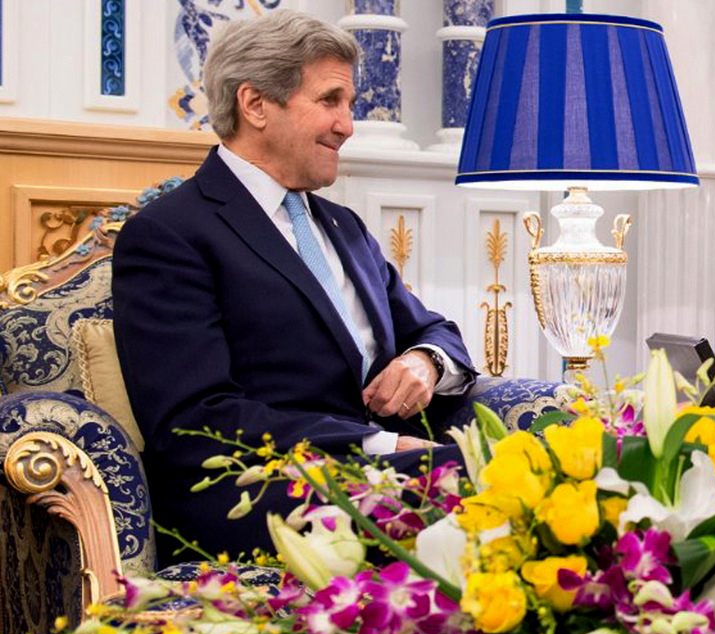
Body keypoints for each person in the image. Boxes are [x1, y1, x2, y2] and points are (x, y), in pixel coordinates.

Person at [113, 10, 476, 561]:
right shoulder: (169, 234)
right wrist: (380, 445)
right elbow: (196, 418)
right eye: (330, 101)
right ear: (255, 104)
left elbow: (434, 330)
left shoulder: (343, 226)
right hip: (261, 489)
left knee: (558, 459)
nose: (348, 124)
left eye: (348, 105)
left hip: (386, 473)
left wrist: (424, 361)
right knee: (490, 480)